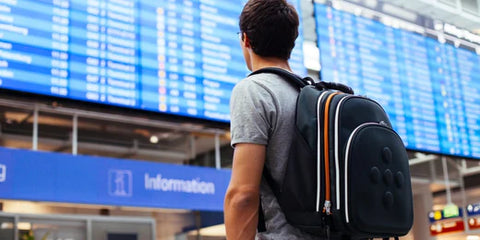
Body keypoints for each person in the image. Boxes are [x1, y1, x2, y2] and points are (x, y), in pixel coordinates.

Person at [224, 0, 323, 239]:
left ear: (245, 40)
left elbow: (243, 195)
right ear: (292, 42)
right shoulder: (315, 96)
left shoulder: (254, 90)